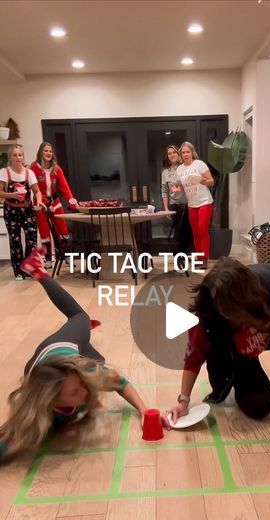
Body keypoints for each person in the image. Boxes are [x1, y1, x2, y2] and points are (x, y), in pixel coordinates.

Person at [0, 248, 169, 461]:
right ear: (50, 402)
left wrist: (145, 411)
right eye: (74, 393)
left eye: (80, 385)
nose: (85, 393)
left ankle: (41, 274)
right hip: (46, 358)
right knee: (87, 334)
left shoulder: (81, 372)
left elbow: (121, 383)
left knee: (82, 322)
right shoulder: (34, 416)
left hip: (62, 348)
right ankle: (40, 273)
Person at [171, 257, 270, 423]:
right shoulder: (207, 316)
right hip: (239, 353)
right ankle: (238, 375)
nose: (231, 316)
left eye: (235, 310)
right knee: (259, 406)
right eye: (225, 310)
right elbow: (193, 360)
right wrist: (183, 401)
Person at [31, 142, 78, 268]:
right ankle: (47, 259)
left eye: (50, 151)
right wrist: (41, 200)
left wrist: (71, 200)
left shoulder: (56, 169)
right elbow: (33, 187)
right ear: (41, 152)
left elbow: (64, 188)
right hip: (40, 203)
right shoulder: (33, 168)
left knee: (63, 230)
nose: (48, 153)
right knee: (44, 232)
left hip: (55, 203)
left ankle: (68, 256)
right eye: (46, 151)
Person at [0, 144, 42, 280]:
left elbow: (37, 191)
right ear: (10, 157)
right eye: (15, 155)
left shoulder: (29, 173)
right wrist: (12, 195)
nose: (18, 157)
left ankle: (29, 269)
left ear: (23, 157)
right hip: (11, 211)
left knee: (32, 240)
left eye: (20, 155)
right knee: (15, 241)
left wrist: (39, 201)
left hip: (28, 210)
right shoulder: (4, 172)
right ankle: (18, 271)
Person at [172, 141, 214, 268]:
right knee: (195, 232)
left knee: (202, 229)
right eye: (183, 152)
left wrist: (202, 181)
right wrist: (177, 189)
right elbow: (183, 187)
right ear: (181, 154)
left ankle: (205, 259)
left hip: (204, 201)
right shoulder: (179, 169)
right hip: (192, 204)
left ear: (192, 152)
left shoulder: (199, 164)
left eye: (188, 152)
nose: (185, 154)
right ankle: (200, 257)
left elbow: (211, 181)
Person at [161, 144, 192, 254]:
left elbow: (191, 184)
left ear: (178, 154)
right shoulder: (165, 173)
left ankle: (186, 253)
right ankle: (179, 254)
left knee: (188, 229)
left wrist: (181, 188)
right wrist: (166, 209)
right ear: (167, 157)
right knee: (179, 229)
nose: (172, 155)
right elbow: (164, 191)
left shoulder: (185, 168)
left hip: (189, 204)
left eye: (174, 152)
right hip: (174, 204)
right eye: (169, 153)